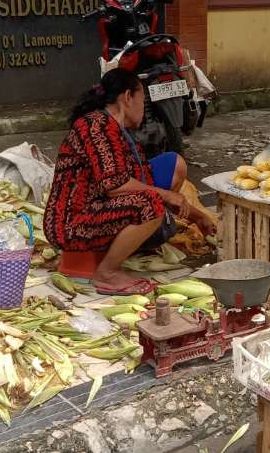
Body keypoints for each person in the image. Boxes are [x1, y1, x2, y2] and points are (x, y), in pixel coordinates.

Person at [44, 68, 215, 295]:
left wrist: (199, 217)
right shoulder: (96, 126)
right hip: (71, 224)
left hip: (98, 209)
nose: (144, 107)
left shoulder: (117, 130)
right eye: (142, 99)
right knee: (151, 203)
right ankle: (107, 272)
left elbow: (141, 180)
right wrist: (165, 195)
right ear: (127, 97)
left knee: (168, 170)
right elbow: (115, 185)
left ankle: (129, 245)